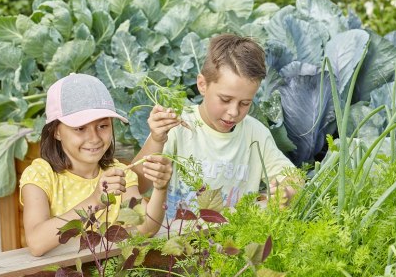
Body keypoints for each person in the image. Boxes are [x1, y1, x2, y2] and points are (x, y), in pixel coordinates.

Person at [131, 34, 299, 218]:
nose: (234, 112)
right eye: (225, 100)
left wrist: (287, 192)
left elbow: (293, 178)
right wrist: (157, 139)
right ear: (202, 84)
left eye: (245, 103)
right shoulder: (178, 126)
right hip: (179, 239)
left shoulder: (256, 133)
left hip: (233, 240)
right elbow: (137, 185)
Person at [20, 73, 172, 257]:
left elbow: (145, 228)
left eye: (103, 126)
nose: (94, 138)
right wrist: (95, 201)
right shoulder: (41, 175)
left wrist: (161, 187)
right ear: (56, 132)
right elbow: (36, 243)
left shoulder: (118, 174)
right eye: (80, 128)